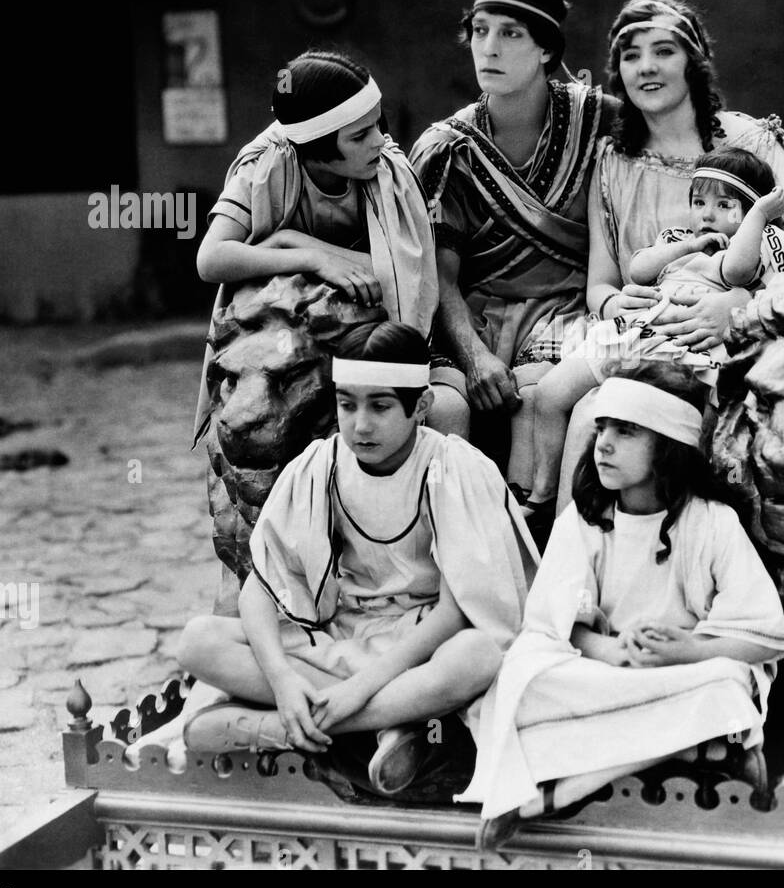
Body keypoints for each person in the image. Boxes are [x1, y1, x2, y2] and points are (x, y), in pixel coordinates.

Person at [177, 323, 537, 796]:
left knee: (477, 657)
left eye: (380, 406)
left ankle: (279, 731)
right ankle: (388, 723)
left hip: (418, 645)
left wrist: (359, 688)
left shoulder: (452, 469)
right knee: (199, 641)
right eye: (347, 404)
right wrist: (284, 681)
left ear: (421, 407)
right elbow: (261, 589)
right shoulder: (318, 466)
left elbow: (457, 611)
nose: (360, 424)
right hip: (339, 634)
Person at [457, 363, 784, 848]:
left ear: (668, 446)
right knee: (524, 677)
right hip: (603, 669)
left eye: (627, 431)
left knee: (725, 683)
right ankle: (699, 748)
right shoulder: (586, 519)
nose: (604, 445)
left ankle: (555, 791)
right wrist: (607, 652)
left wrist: (685, 651)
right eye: (601, 429)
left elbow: (762, 636)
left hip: (683, 669)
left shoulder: (713, 522)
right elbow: (555, 624)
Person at [547, 0, 784, 510]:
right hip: (643, 332)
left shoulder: (750, 141)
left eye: (664, 51)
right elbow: (601, 283)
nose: (646, 67)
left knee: (610, 416)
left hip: (741, 339)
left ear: (693, 63)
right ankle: (569, 562)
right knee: (580, 409)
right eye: (631, 55)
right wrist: (615, 305)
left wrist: (738, 307)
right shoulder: (613, 159)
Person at [410, 0, 618, 493]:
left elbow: (688, 147)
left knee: (536, 393)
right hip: (471, 317)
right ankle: (454, 545)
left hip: (571, 310)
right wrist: (475, 358)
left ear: (547, 48)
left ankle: (538, 536)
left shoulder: (600, 122)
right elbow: (440, 278)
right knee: (444, 409)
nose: (490, 48)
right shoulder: (448, 149)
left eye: (511, 33)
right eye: (480, 32)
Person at [191, 49, 461, 448]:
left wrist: (287, 241)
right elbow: (211, 259)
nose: (378, 142)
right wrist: (309, 255)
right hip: (294, 335)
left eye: (377, 125)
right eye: (358, 136)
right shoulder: (269, 166)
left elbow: (408, 275)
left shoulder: (390, 173)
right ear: (316, 146)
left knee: (448, 410)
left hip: (387, 325)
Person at [521, 148, 784, 541]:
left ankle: (651, 523)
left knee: (635, 416)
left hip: (682, 346)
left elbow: (736, 271)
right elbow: (639, 269)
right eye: (699, 202)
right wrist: (687, 247)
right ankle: (542, 493)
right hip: (636, 330)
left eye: (724, 205)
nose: (707, 214)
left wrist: (759, 218)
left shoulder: (751, 250)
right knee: (549, 393)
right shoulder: (678, 239)